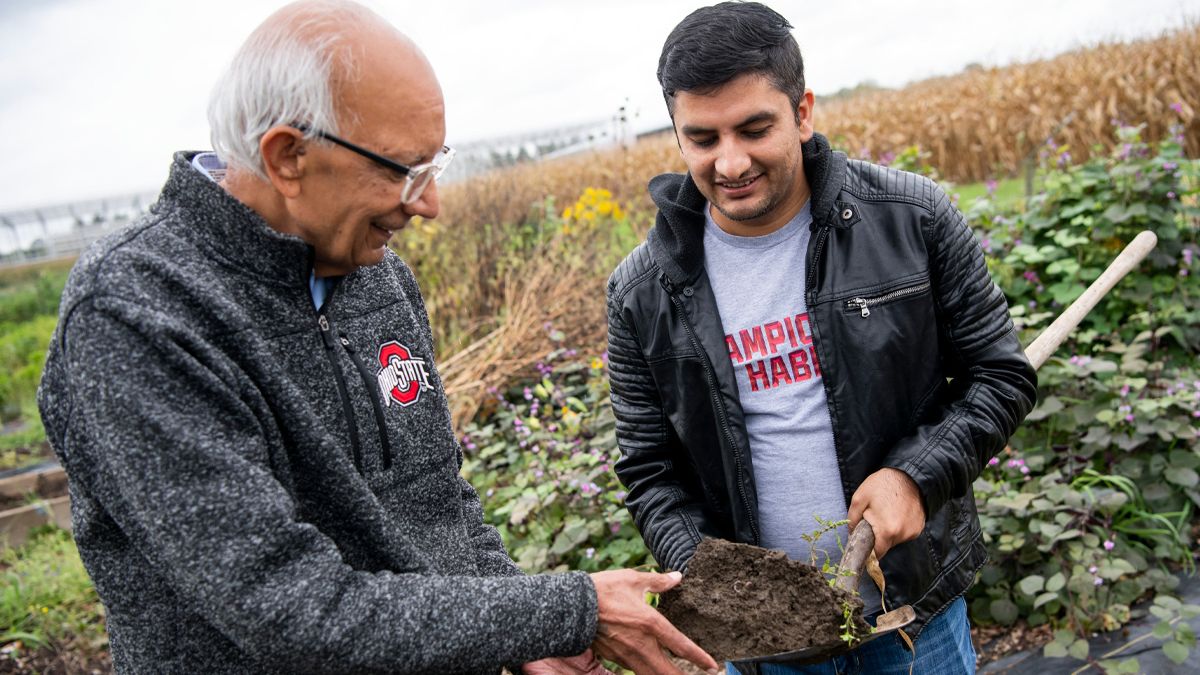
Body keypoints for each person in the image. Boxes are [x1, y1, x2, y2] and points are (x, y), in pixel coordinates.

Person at [36, 2, 718, 674]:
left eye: (434, 166)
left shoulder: (375, 272)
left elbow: (440, 498)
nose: (429, 204)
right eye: (401, 170)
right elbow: (290, 608)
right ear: (288, 157)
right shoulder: (139, 312)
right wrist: (563, 609)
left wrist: (515, 630)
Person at [605, 3, 1037, 673]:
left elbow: (1001, 376)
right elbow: (650, 472)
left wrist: (915, 478)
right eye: (703, 138)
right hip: (764, 649)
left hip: (909, 620)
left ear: (802, 112)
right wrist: (723, 588)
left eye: (754, 128)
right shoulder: (642, 291)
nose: (731, 161)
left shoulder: (913, 220)